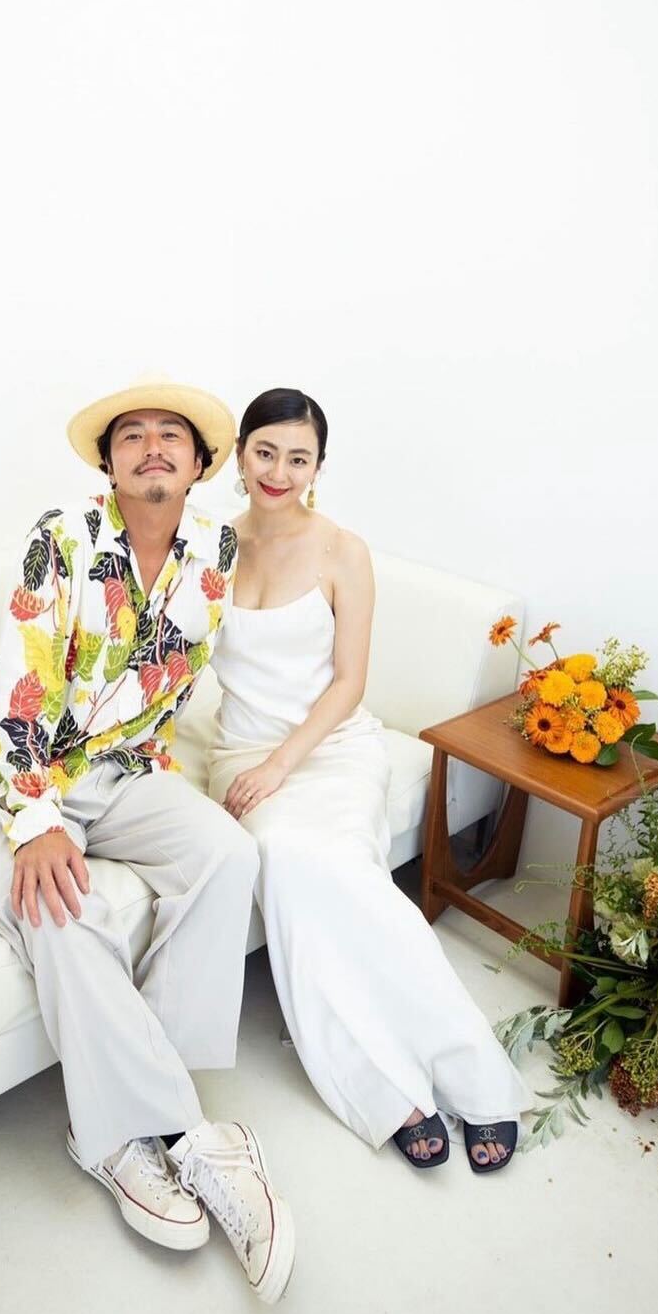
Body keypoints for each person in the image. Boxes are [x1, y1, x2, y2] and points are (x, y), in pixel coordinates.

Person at [0, 376, 295, 1302]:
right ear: (108, 462)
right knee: (58, 907)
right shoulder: (61, 536)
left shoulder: (216, 550)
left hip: (127, 770)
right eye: (130, 436)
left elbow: (177, 681)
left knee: (228, 853)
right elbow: (17, 686)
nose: (151, 447)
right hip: (13, 779)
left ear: (200, 463)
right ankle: (162, 1139)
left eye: (171, 435)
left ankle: (138, 1104)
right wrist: (33, 823)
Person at [207, 387, 532, 1173]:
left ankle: (472, 1072)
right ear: (240, 454)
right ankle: (387, 1091)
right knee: (287, 858)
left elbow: (350, 681)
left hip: (330, 747)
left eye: (299, 458)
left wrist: (283, 764)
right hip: (240, 753)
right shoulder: (210, 547)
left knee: (340, 869)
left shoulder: (342, 552)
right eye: (265, 452)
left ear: (318, 468)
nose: (279, 471)